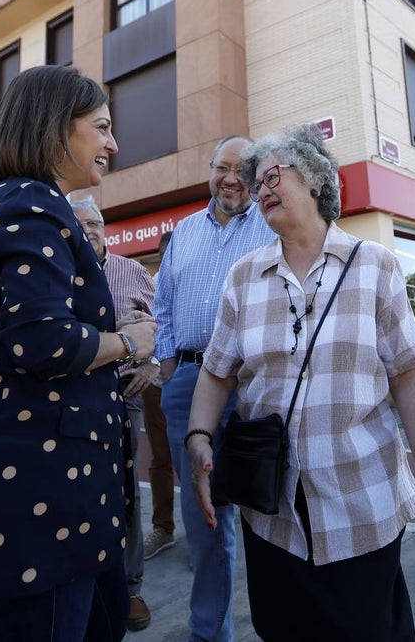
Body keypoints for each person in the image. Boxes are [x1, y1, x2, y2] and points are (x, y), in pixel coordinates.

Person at [184, 123, 415, 641]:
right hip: (270, 509)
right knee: (282, 629)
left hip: (361, 503)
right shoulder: (243, 276)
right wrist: (198, 438)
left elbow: (409, 373)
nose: (261, 189)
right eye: (257, 184)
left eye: (273, 175)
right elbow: (216, 373)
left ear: (317, 181)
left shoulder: (376, 267)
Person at [0, 65, 156, 642]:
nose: (112, 143)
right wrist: (130, 342)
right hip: (38, 492)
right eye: (100, 127)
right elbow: (44, 341)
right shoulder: (33, 206)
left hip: (54, 485)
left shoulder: (23, 205)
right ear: (56, 130)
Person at [153, 135, 275, 641]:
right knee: (204, 518)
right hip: (188, 380)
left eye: (243, 169)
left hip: (253, 384)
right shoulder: (182, 232)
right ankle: (210, 632)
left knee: (271, 509)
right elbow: (163, 305)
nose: (231, 178)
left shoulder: (272, 225)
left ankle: (285, 619)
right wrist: (167, 370)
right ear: (210, 170)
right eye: (222, 168)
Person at [71, 195, 158, 631]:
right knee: (79, 486)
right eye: (78, 222)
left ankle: (130, 585)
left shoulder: (134, 271)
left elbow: (164, 321)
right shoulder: (58, 271)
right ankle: (85, 582)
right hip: (72, 393)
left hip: (124, 390)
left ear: (105, 228)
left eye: (94, 222)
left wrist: (151, 364)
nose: (88, 229)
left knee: (126, 489)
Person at [142, 230, 175, 563]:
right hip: (156, 383)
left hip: (194, 380)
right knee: (160, 459)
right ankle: (163, 528)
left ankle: (207, 532)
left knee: (203, 457)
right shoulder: (149, 285)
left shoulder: (198, 282)